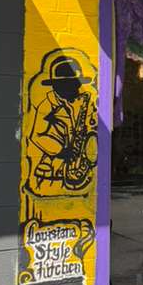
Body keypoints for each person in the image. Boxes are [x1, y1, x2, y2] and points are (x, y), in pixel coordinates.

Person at [29, 56, 97, 193]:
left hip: (78, 165)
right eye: (69, 84)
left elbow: (92, 128)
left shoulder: (84, 102)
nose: (75, 88)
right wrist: (60, 151)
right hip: (52, 170)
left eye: (75, 83)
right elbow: (36, 135)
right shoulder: (47, 105)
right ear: (56, 85)